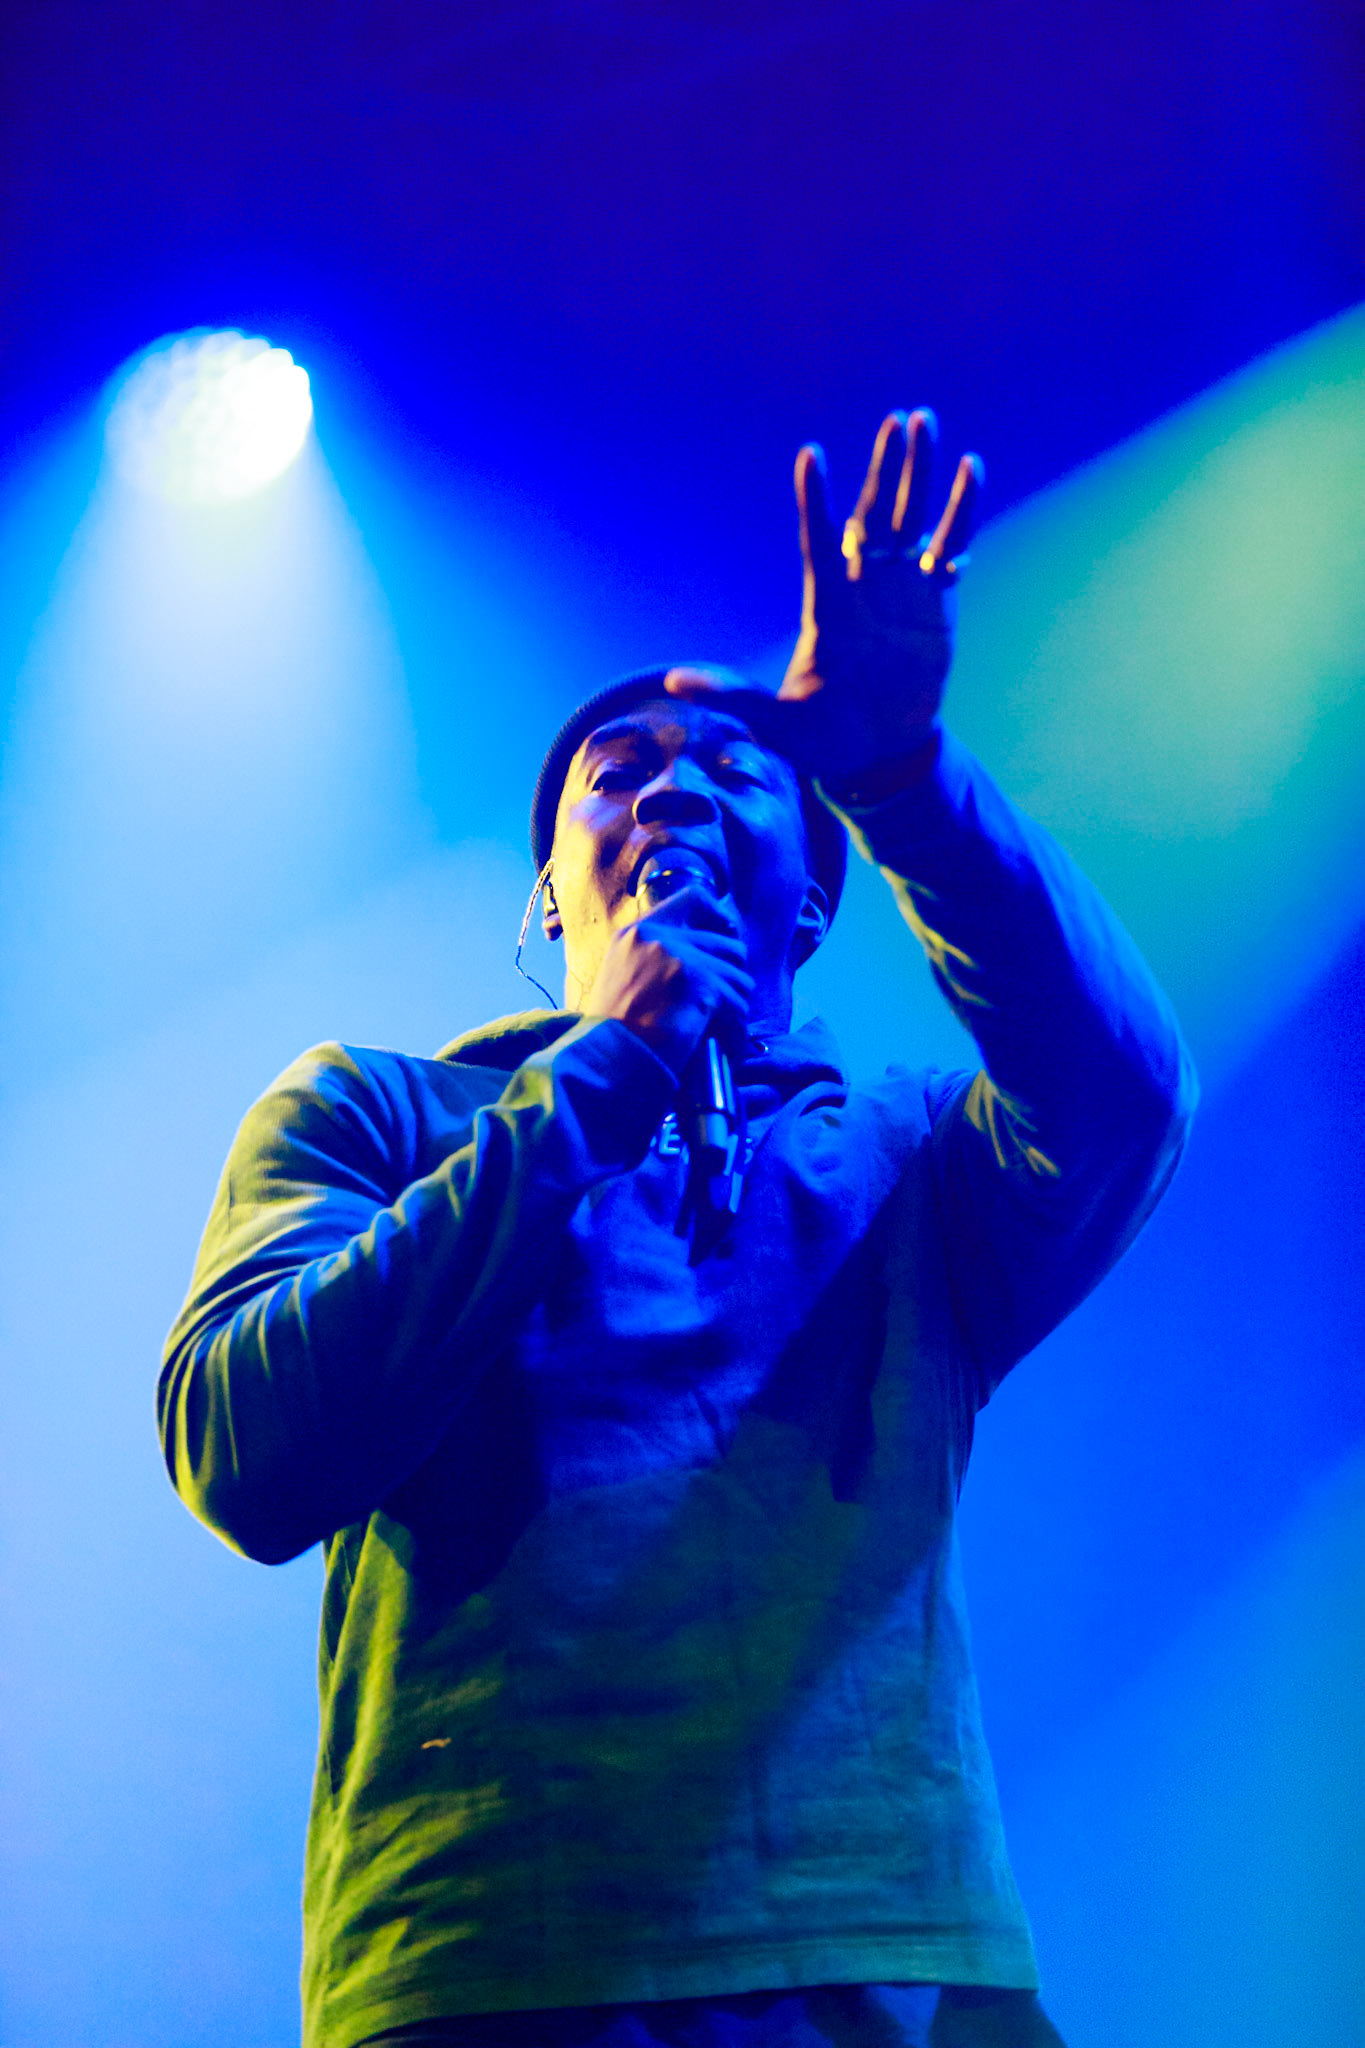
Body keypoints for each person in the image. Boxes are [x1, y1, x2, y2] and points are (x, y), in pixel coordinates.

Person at [159, 410, 1196, 2048]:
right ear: (548, 894)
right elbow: (244, 1453)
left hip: (894, 1957)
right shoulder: (373, 1112)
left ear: (813, 890)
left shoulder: (911, 1150)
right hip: (493, 1961)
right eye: (616, 773)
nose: (674, 790)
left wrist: (906, 784)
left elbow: (1125, 1098)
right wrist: (600, 1083)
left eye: (732, 768)